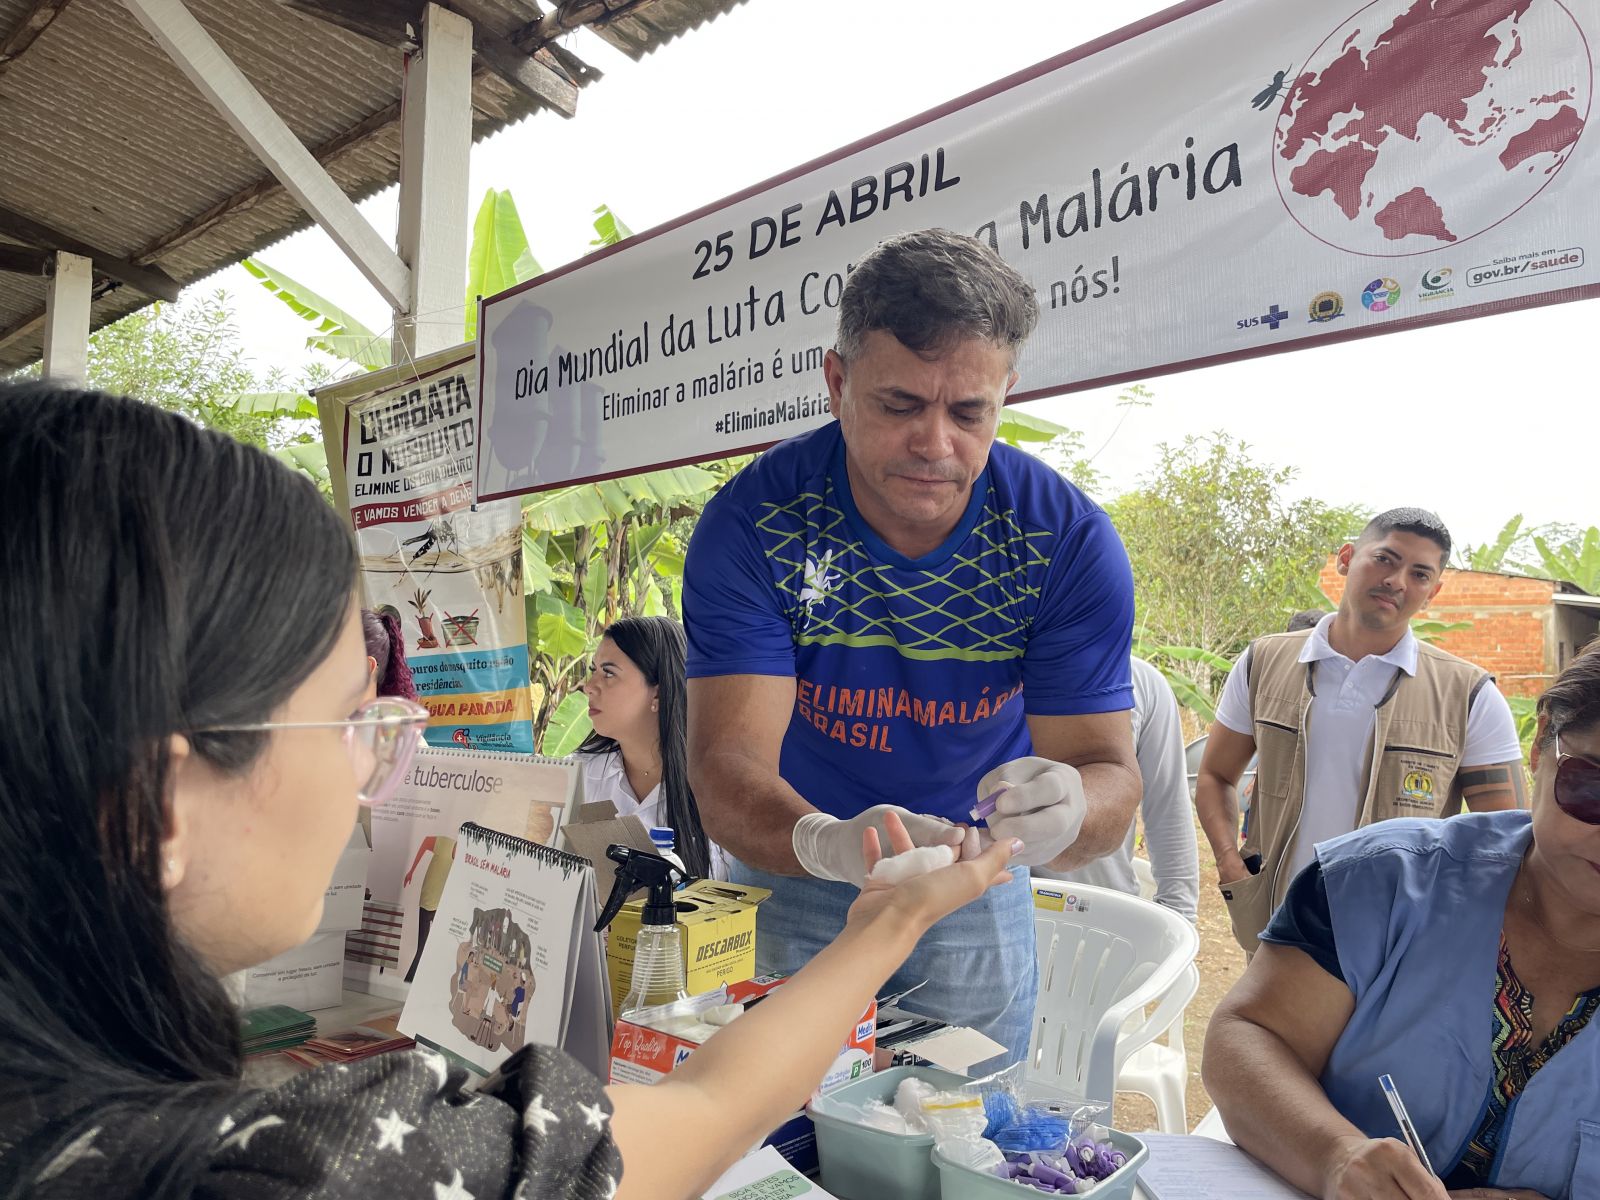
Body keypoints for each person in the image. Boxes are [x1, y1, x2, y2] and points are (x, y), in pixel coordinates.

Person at [0, 380, 1020, 1200]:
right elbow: (701, 1117)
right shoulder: (304, 1167)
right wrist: (887, 923)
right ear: (156, 806)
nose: (366, 780)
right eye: (357, 720)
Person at [683, 228, 1140, 1065]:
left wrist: (1071, 808)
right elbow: (726, 766)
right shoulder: (756, 522)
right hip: (794, 874)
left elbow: (1110, 775)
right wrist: (826, 841)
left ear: (1006, 391)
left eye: (970, 413)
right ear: (836, 380)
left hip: (976, 890)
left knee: (961, 1134)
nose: (936, 444)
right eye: (899, 406)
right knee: (770, 1132)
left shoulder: (1064, 540)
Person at [1204, 642, 1600, 1200]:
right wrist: (1335, 1156)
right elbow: (1248, 1037)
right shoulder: (1377, 884)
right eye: (1592, 787)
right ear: (1540, 748)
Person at [1195, 508, 1524, 954]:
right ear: (1347, 558)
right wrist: (1230, 865)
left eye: (1420, 574)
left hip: (1393, 947)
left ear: (1433, 592)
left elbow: (1505, 840)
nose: (1397, 581)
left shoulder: (1468, 695)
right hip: (1274, 929)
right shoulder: (1264, 663)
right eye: (1386, 559)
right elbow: (1215, 777)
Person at [577, 616, 727, 879]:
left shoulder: (716, 788)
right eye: (593, 671)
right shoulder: (577, 776)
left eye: (609, 673)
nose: (589, 687)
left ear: (657, 693)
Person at [1049, 658, 1199, 921]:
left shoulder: (1142, 683)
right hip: (998, 915)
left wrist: (1180, 916)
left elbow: (1169, 813)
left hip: (1104, 915)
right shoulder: (988, 676)